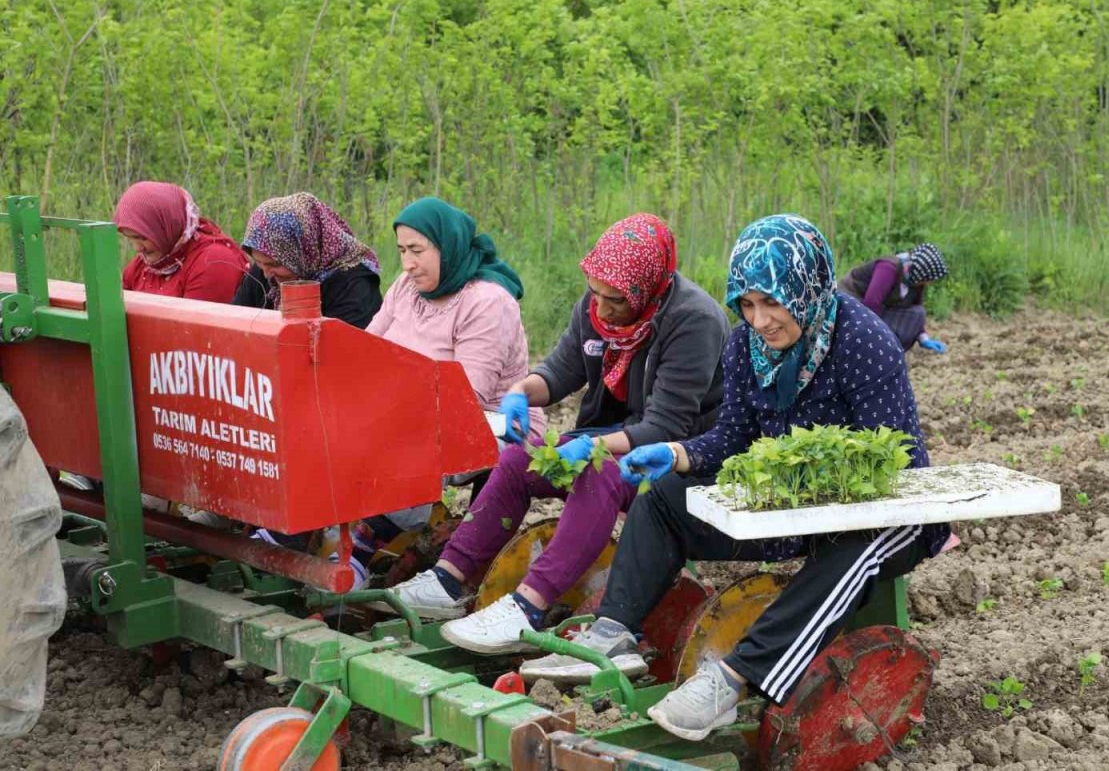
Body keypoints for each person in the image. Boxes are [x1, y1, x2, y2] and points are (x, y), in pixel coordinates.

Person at [518, 214, 951, 742]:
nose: (760, 319)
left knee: (856, 544)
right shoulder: (746, 347)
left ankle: (732, 679)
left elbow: (892, 463)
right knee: (663, 502)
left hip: (889, 512)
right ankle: (614, 633)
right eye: (747, 304)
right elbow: (733, 440)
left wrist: (805, 481)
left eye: (773, 302)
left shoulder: (863, 342)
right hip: (786, 503)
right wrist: (675, 453)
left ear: (807, 287)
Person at [390, 213, 730, 654]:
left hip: (678, 455)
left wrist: (593, 446)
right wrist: (520, 392)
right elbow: (559, 372)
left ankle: (526, 608)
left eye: (617, 301)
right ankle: (448, 581)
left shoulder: (693, 320)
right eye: (596, 294)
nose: (603, 309)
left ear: (649, 290)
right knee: (516, 461)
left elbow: (665, 425)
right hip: (616, 434)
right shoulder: (596, 310)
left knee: (598, 473)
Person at [347, 196, 547, 570]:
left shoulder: (487, 302)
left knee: (404, 442)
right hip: (416, 412)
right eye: (402, 250)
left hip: (493, 423)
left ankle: (362, 553)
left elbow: (467, 397)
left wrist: (391, 407)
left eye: (418, 250)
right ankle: (346, 539)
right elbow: (368, 350)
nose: (407, 263)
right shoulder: (406, 288)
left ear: (446, 246)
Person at [233, 192, 382, 328]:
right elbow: (236, 323)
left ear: (305, 250)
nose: (266, 274)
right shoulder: (264, 272)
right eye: (259, 262)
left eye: (275, 264)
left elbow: (344, 349)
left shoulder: (354, 286)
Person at [112, 181, 248, 302]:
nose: (137, 248)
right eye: (130, 238)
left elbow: (195, 328)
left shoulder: (213, 260)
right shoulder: (145, 265)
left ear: (166, 227)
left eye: (142, 238)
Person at [837, 242, 949, 353]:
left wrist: (923, 337)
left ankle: (890, 348)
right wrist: (873, 338)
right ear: (921, 273)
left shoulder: (915, 281)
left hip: (875, 310)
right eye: (927, 279)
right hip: (853, 303)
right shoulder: (888, 269)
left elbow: (916, 311)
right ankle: (867, 346)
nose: (927, 283)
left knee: (917, 313)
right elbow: (872, 304)